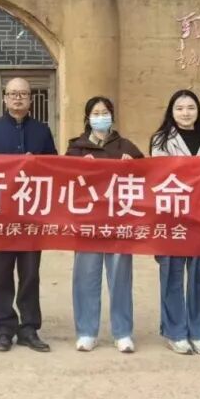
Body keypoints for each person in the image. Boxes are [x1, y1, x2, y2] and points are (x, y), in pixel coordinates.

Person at [149, 89, 200, 355]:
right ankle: (175, 332)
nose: (185, 113)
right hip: (172, 218)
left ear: (198, 111)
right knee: (172, 276)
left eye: (190, 108)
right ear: (171, 112)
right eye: (180, 108)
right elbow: (159, 177)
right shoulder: (161, 141)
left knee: (199, 277)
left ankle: (199, 332)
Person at [0, 77, 56, 353]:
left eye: (23, 93)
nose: (18, 98)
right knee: (1, 274)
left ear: (31, 99)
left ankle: (29, 328)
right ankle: (4, 329)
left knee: (30, 273)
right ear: (4, 98)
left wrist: (38, 163)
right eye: (12, 94)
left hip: (32, 214)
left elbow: (55, 167)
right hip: (1, 213)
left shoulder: (42, 131)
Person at [65, 96, 145, 354]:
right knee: (85, 277)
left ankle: (122, 332)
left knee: (120, 278)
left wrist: (134, 167)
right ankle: (86, 331)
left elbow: (148, 177)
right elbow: (62, 179)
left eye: (105, 112)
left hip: (119, 222)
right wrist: (78, 168)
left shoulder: (126, 147)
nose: (101, 117)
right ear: (87, 118)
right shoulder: (76, 149)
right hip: (87, 223)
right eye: (96, 113)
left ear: (112, 116)